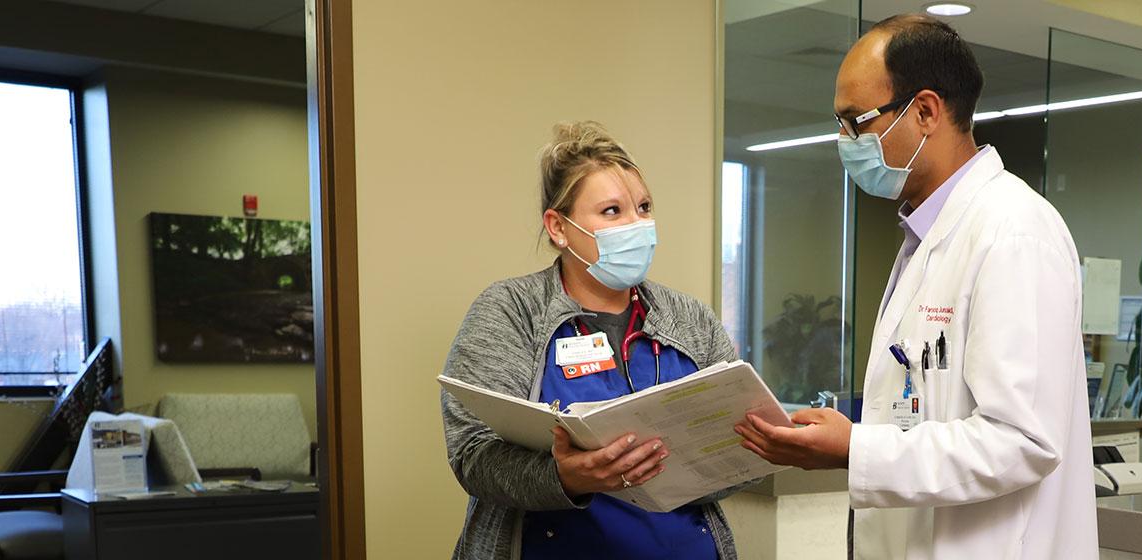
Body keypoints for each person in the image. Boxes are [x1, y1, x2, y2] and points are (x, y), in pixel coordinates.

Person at [734, 14, 1098, 560]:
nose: (844, 141)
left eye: (856, 121)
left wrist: (856, 448)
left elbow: (1023, 440)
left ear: (925, 111)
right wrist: (857, 444)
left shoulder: (1014, 232)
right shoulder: (924, 236)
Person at [441, 121, 744, 560]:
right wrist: (567, 479)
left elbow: (742, 446)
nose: (636, 225)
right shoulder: (512, 310)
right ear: (559, 227)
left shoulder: (690, 318)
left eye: (643, 207)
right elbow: (473, 454)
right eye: (611, 212)